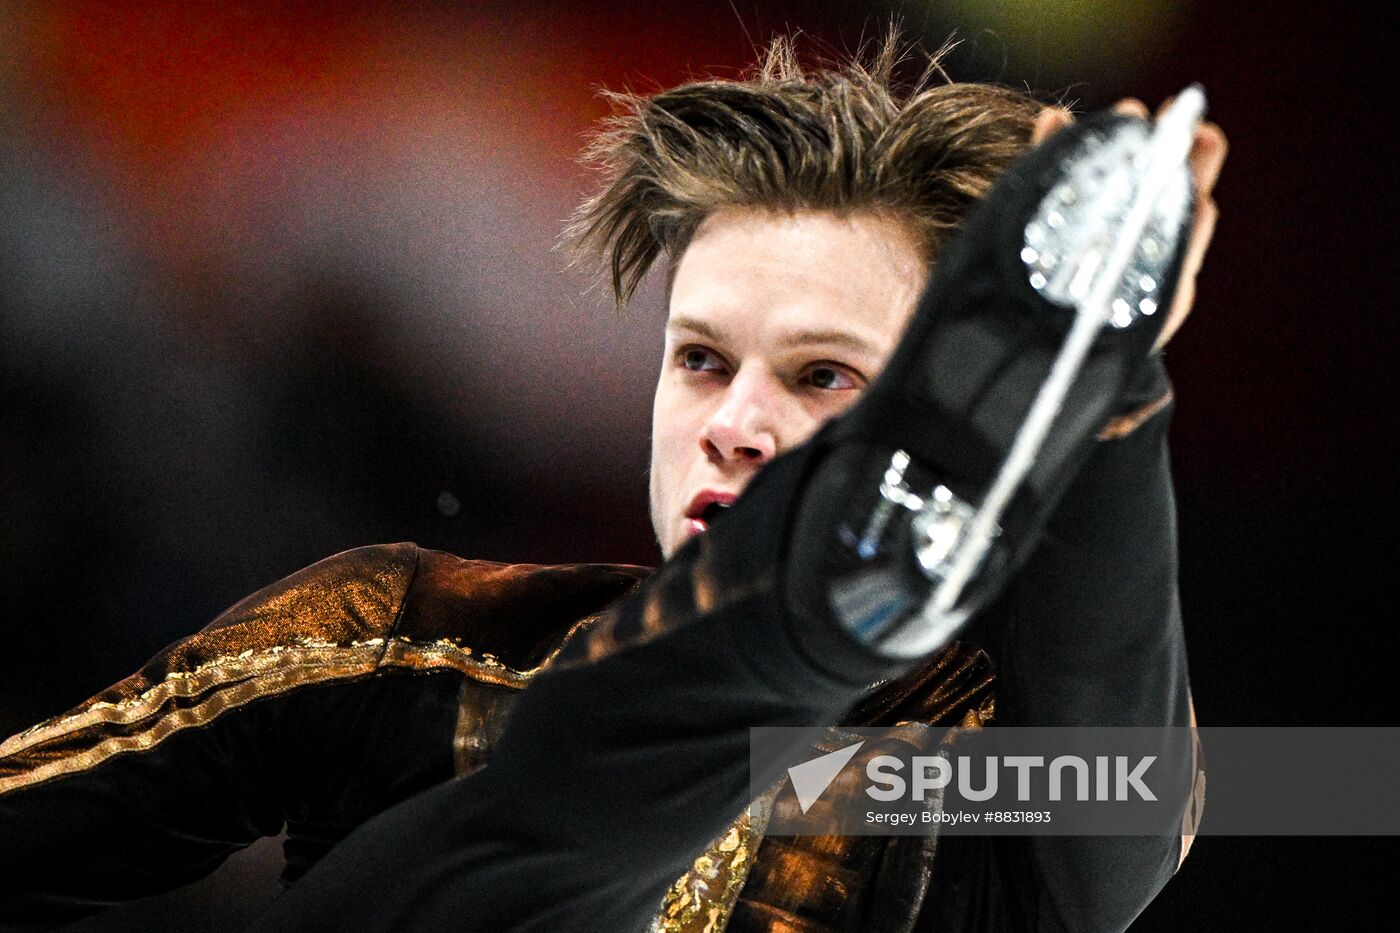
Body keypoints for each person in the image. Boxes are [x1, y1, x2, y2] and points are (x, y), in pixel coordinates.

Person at [0, 34, 1225, 932]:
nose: (736, 423)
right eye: (699, 360)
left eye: (822, 378)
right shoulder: (408, 639)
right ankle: (813, 588)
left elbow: (1120, 820)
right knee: (523, 814)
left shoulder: (961, 763)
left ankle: (977, 462)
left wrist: (1111, 392)